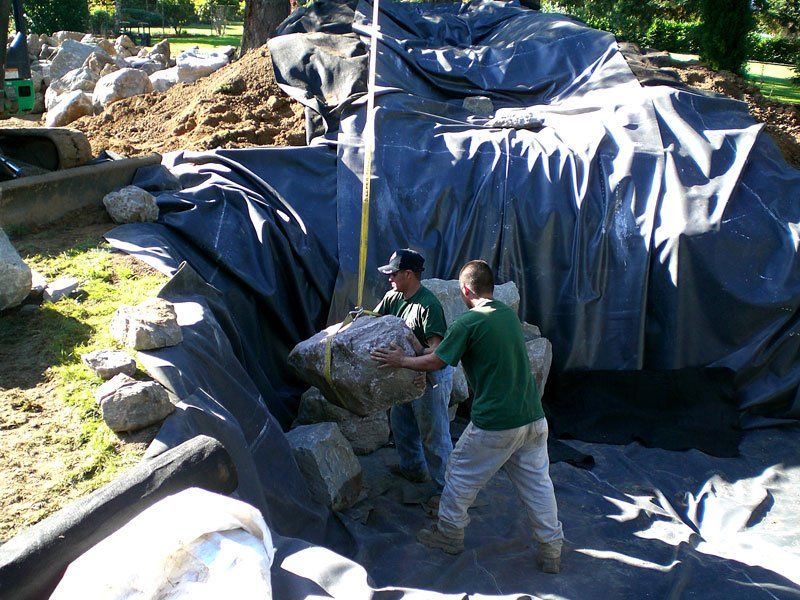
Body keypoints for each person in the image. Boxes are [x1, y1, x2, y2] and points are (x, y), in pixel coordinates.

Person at [371, 259, 564, 574]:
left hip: (497, 422)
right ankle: (551, 550)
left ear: (464, 289)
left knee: (459, 474)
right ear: (490, 287)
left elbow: (437, 361)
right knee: (538, 485)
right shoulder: (506, 315)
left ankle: (448, 534)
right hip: (532, 417)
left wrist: (401, 359)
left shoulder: (468, 322)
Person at [374, 249, 454, 489]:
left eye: (394, 274)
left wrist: (409, 355)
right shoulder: (392, 297)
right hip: (405, 372)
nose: (389, 278)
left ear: (409, 274)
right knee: (402, 424)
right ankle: (414, 470)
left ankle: (447, 492)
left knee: (434, 435)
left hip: (431, 375)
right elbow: (372, 319)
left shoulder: (428, 305)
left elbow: (437, 353)